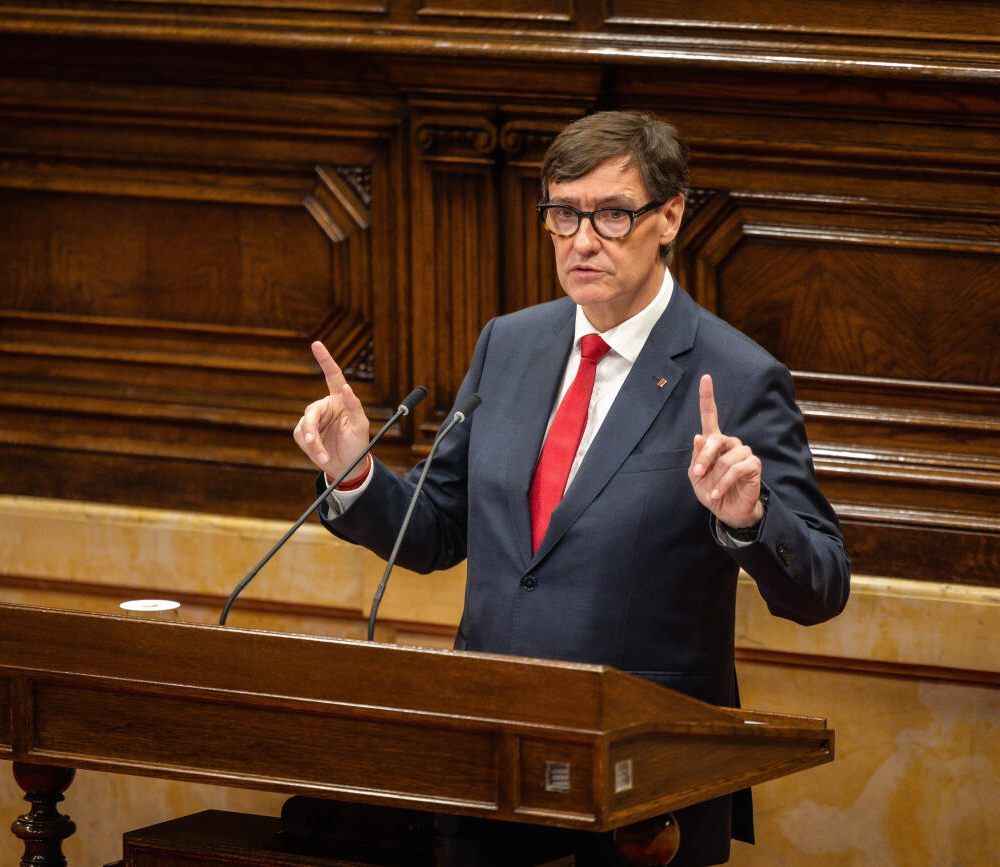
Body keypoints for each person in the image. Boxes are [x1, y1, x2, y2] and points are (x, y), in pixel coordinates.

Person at [294, 110, 850, 866]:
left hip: (638, 795)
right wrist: (355, 470)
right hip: (488, 769)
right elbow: (436, 529)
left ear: (670, 217)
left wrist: (751, 519)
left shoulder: (739, 376)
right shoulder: (509, 344)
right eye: (563, 213)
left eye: (613, 214)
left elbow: (821, 585)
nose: (582, 240)